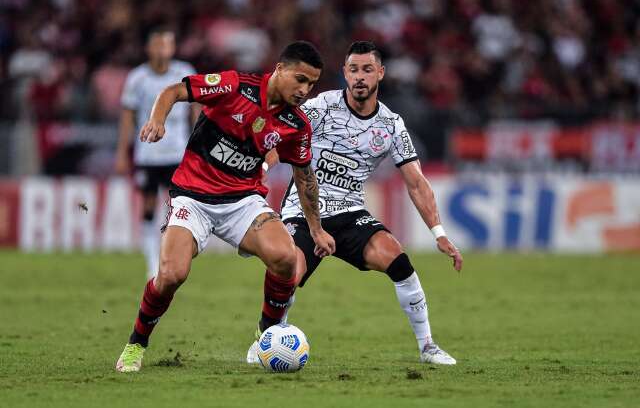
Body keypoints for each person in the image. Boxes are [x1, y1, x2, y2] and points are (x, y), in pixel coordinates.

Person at [116, 41, 336, 372]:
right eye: (300, 79)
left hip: (242, 201)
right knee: (171, 275)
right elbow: (173, 91)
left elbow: (305, 178)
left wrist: (316, 229)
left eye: (311, 84)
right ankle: (136, 344)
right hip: (193, 195)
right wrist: (158, 121)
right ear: (279, 69)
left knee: (286, 257)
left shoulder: (296, 125)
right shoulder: (235, 86)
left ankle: (265, 335)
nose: (304, 90)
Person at [247, 41, 463, 365]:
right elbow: (279, 138)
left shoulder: (391, 125)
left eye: (366, 69)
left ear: (380, 73)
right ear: (344, 73)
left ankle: (428, 346)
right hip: (305, 212)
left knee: (398, 260)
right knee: (288, 272)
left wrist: (439, 232)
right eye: (353, 70)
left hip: (350, 213)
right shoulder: (321, 107)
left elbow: (416, 182)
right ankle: (266, 335)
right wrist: (262, 168)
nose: (359, 77)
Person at [115, 27, 199, 279]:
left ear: (173, 48)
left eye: (167, 45)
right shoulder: (137, 78)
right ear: (149, 48)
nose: (163, 50)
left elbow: (195, 109)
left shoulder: (185, 73)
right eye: (159, 45)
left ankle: (169, 259)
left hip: (178, 152)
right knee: (149, 207)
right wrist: (122, 152)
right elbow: (127, 117)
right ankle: (152, 262)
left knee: (178, 208)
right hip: (148, 154)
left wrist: (198, 143)